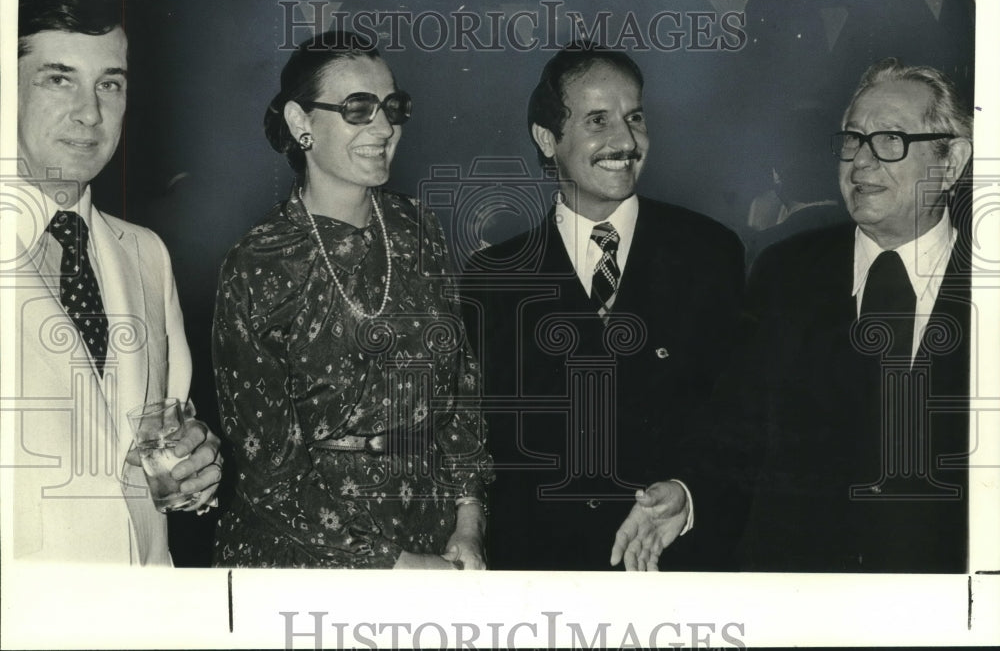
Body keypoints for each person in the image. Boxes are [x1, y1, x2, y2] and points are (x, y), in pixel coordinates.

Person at [672, 58, 973, 572]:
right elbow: (734, 436)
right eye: (853, 139)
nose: (861, 162)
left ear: (951, 162)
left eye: (890, 140)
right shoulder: (785, 273)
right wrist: (687, 495)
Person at [212, 30, 492, 569]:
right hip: (307, 558)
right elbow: (267, 468)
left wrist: (469, 522)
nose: (384, 127)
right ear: (300, 124)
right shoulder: (257, 265)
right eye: (357, 109)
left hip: (437, 544)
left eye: (393, 107)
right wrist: (394, 564)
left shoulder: (418, 229)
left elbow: (461, 391)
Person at [463, 42, 745, 571]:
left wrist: (688, 491)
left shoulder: (710, 253)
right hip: (540, 581)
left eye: (634, 117)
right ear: (548, 139)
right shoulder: (492, 278)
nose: (625, 140)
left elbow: (739, 414)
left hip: (674, 573)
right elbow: (478, 442)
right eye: (598, 120)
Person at [9, 0, 222, 565]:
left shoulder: (147, 253)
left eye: (110, 83)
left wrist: (193, 472)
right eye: (58, 79)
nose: (89, 112)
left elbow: (168, 428)